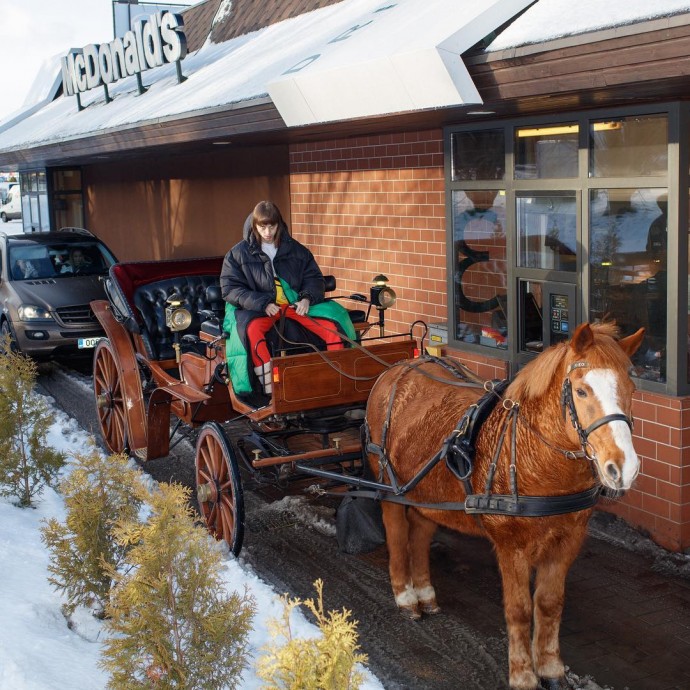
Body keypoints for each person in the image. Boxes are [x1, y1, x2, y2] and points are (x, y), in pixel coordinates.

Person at [220, 201, 355, 397]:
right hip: (258, 308)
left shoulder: (297, 250)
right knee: (251, 330)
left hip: (293, 305)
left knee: (332, 326)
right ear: (254, 226)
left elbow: (314, 278)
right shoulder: (236, 254)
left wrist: (306, 298)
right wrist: (263, 303)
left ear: (279, 224)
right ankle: (271, 390)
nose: (267, 232)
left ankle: (337, 380)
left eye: (272, 226)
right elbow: (230, 289)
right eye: (262, 226)